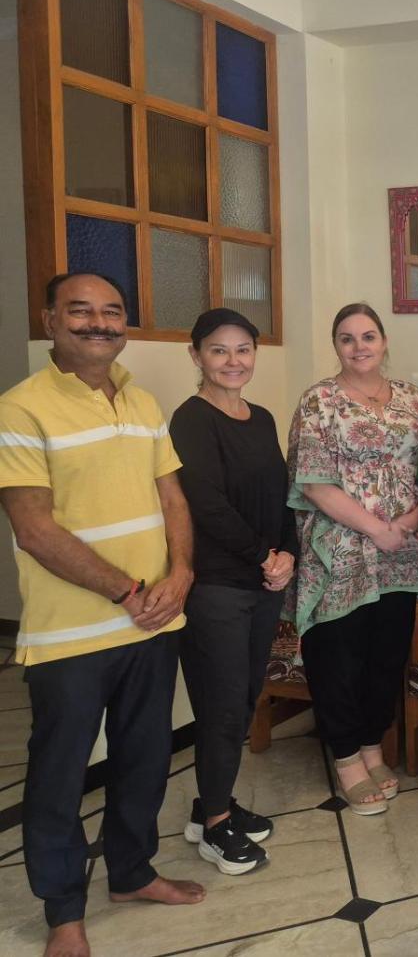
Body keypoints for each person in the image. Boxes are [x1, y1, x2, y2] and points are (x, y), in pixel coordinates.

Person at [0, 273, 205, 957]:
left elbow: (172, 498)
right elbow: (34, 529)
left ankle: (132, 873)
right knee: (59, 775)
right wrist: (127, 591)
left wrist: (181, 574)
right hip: (72, 634)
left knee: (145, 758)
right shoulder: (20, 409)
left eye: (111, 312)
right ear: (50, 320)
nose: (98, 322)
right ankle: (64, 912)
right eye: (80, 310)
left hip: (154, 621)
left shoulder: (142, 401)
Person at [286, 303, 418, 816]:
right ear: (336, 346)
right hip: (340, 552)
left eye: (368, 336)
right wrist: (376, 529)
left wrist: (408, 524)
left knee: (386, 654)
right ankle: (347, 756)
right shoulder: (319, 401)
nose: (359, 347)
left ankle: (373, 744)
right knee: (339, 657)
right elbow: (312, 482)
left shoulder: (416, 401)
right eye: (347, 338)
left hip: (402, 554)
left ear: (384, 341)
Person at [169, 308, 296, 875]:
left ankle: (210, 806)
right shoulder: (191, 419)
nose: (232, 361)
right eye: (218, 350)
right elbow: (206, 504)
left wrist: (287, 553)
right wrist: (264, 557)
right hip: (218, 586)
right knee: (220, 706)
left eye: (242, 349)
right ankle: (216, 827)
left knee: (244, 698)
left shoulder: (260, 417)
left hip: (263, 583)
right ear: (196, 355)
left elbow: (282, 494)